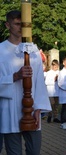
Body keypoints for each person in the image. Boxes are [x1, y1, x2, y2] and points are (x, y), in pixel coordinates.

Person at [0, 10, 51, 155]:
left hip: (32, 110)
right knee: (14, 152)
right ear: (7, 25)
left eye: (23, 24)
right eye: (17, 24)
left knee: (34, 150)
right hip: (9, 109)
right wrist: (14, 76)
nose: (21, 27)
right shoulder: (0, 51)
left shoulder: (32, 51)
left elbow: (39, 82)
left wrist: (39, 108)